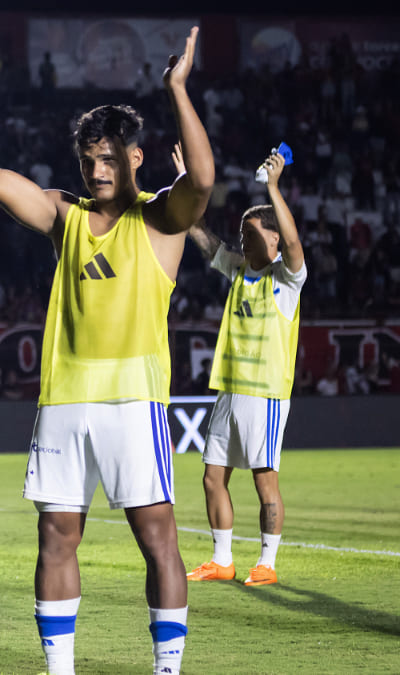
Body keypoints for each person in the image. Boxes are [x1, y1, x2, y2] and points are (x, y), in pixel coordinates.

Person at [0, 27, 213, 675]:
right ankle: (58, 669)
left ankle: (166, 669)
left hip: (133, 401)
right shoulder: (64, 216)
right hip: (64, 402)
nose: (97, 169)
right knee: (57, 536)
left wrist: (177, 88)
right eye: (90, 158)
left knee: (158, 539)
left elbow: (201, 179)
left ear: (137, 159)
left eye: (110, 159)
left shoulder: (160, 219)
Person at [184, 149, 305, 588]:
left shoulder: (286, 281)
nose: (242, 239)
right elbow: (202, 238)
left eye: (250, 233)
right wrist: (186, 190)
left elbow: (294, 246)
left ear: (273, 240)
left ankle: (267, 564)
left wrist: (273, 189)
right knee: (212, 477)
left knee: (263, 480)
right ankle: (222, 560)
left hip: (266, 394)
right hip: (230, 391)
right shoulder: (238, 270)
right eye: (241, 232)